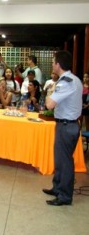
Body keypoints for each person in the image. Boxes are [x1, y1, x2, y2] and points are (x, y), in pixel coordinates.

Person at [43, 50, 82, 206]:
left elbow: (49, 104)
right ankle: (57, 187)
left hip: (66, 126)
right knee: (60, 159)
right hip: (67, 124)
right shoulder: (75, 79)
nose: (52, 65)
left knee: (64, 162)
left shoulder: (65, 82)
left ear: (58, 64)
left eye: (53, 62)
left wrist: (50, 91)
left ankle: (65, 196)